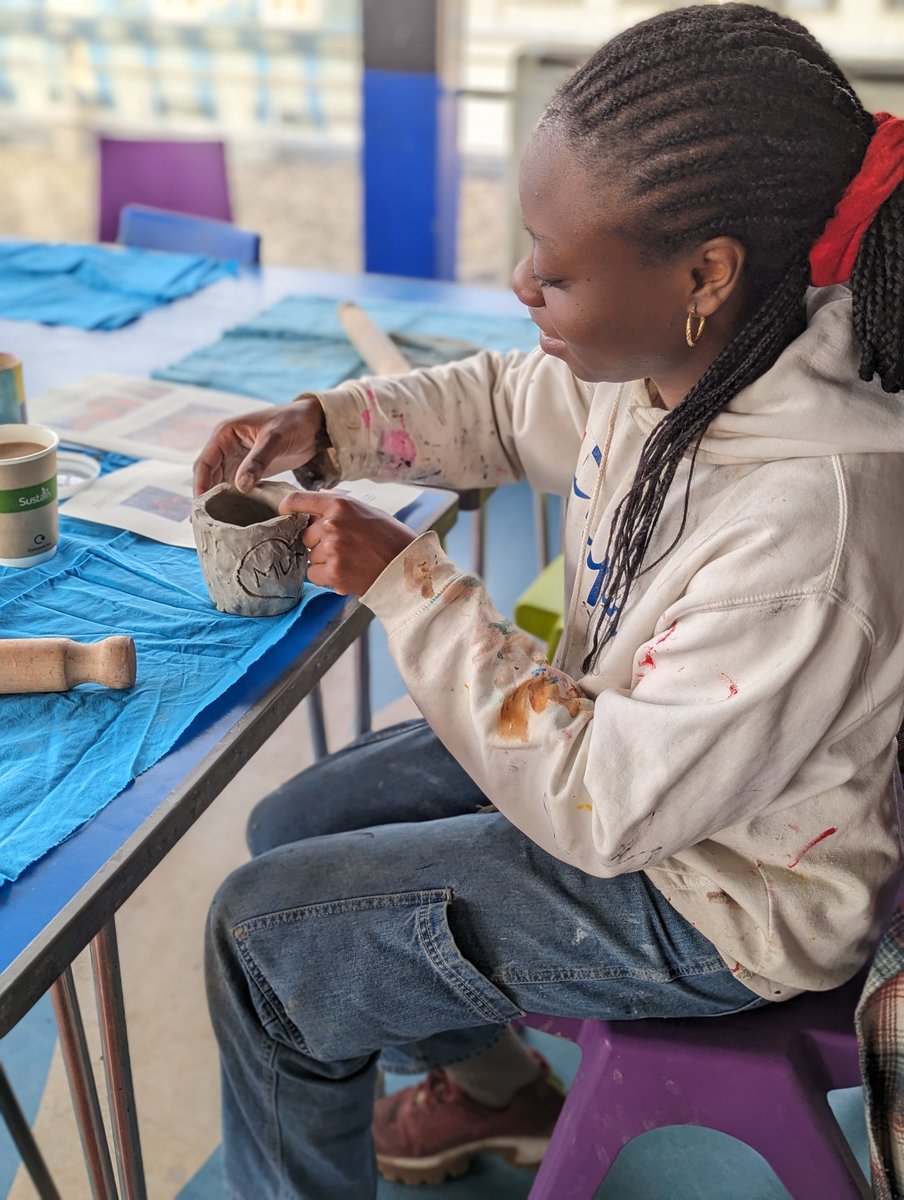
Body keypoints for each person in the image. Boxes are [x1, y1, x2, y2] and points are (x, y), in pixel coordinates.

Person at [195, 4, 904, 1196]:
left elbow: (598, 810)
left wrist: (405, 582)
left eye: (556, 267)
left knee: (259, 938)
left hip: (720, 895)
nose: (520, 281)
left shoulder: (808, 529)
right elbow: (512, 401)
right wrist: (333, 428)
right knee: (294, 832)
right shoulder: (701, 360)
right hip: (634, 760)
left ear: (704, 273)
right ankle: (496, 1090)